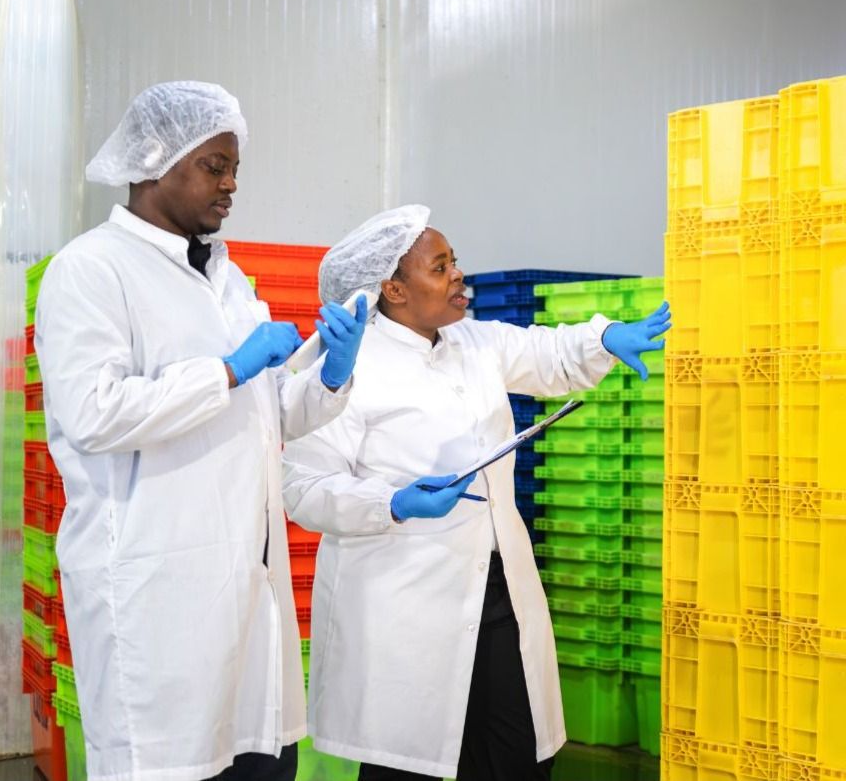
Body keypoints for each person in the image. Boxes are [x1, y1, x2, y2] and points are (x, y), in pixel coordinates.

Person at [35, 81, 381, 781]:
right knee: (170, 760)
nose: (230, 185)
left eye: (235, 169)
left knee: (257, 758)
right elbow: (93, 412)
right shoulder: (90, 269)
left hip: (245, 590)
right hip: (154, 596)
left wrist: (330, 375)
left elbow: (269, 414)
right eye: (214, 166)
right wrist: (225, 370)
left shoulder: (229, 279)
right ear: (152, 160)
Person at [280, 204, 671, 780]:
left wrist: (606, 337)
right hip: (402, 597)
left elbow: (545, 353)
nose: (458, 274)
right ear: (394, 289)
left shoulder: (471, 340)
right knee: (404, 765)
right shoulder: (345, 369)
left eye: (454, 262)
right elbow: (304, 488)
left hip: (496, 586)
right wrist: (393, 503)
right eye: (440, 267)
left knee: (516, 754)